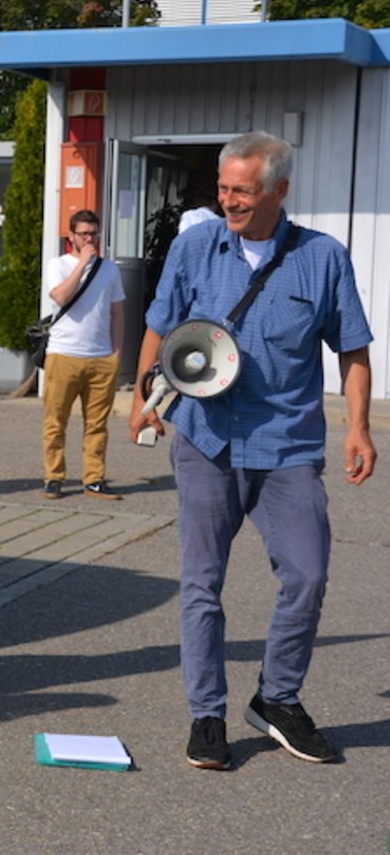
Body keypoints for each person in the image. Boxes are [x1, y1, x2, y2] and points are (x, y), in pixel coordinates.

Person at [129, 131, 376, 770]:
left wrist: (357, 427)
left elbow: (351, 348)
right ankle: (207, 716)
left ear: (279, 191)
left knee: (308, 573)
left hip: (286, 445)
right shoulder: (194, 247)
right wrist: (142, 395)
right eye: (223, 188)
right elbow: (160, 322)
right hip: (206, 439)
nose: (229, 201)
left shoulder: (323, 258)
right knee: (202, 584)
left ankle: (277, 700)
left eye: (243, 190)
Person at [40, 209, 125, 500]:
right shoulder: (59, 265)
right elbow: (61, 296)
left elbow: (117, 313)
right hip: (64, 354)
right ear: (71, 236)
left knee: (97, 424)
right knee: (55, 421)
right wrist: (83, 263)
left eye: (94, 234)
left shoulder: (110, 269)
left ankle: (94, 478)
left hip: (101, 357)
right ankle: (54, 477)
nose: (90, 239)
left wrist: (116, 352)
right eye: (84, 234)